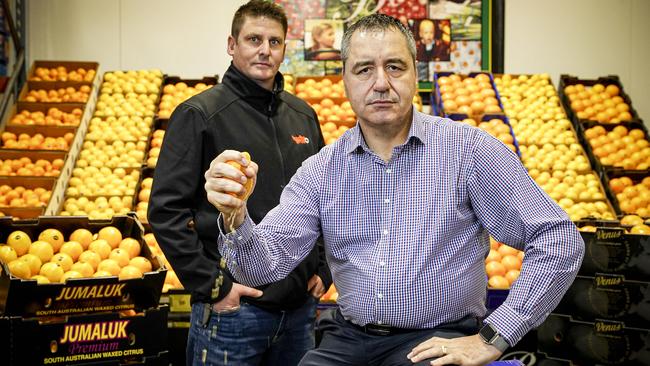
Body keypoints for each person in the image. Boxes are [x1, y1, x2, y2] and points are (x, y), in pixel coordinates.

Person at [206, 13, 584, 366]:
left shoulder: (469, 151)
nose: (381, 83)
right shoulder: (322, 170)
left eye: (395, 67)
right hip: (348, 340)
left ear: (413, 73)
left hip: (438, 340)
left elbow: (560, 239)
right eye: (364, 69)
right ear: (345, 80)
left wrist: (493, 337)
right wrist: (235, 215)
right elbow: (260, 268)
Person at [148, 1, 331, 365]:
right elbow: (165, 212)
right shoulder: (198, 114)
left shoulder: (303, 116)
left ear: (284, 49)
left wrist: (323, 268)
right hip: (233, 315)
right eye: (254, 39)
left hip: (297, 315)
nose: (265, 50)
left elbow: (325, 197)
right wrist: (215, 287)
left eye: (274, 42)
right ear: (232, 45)